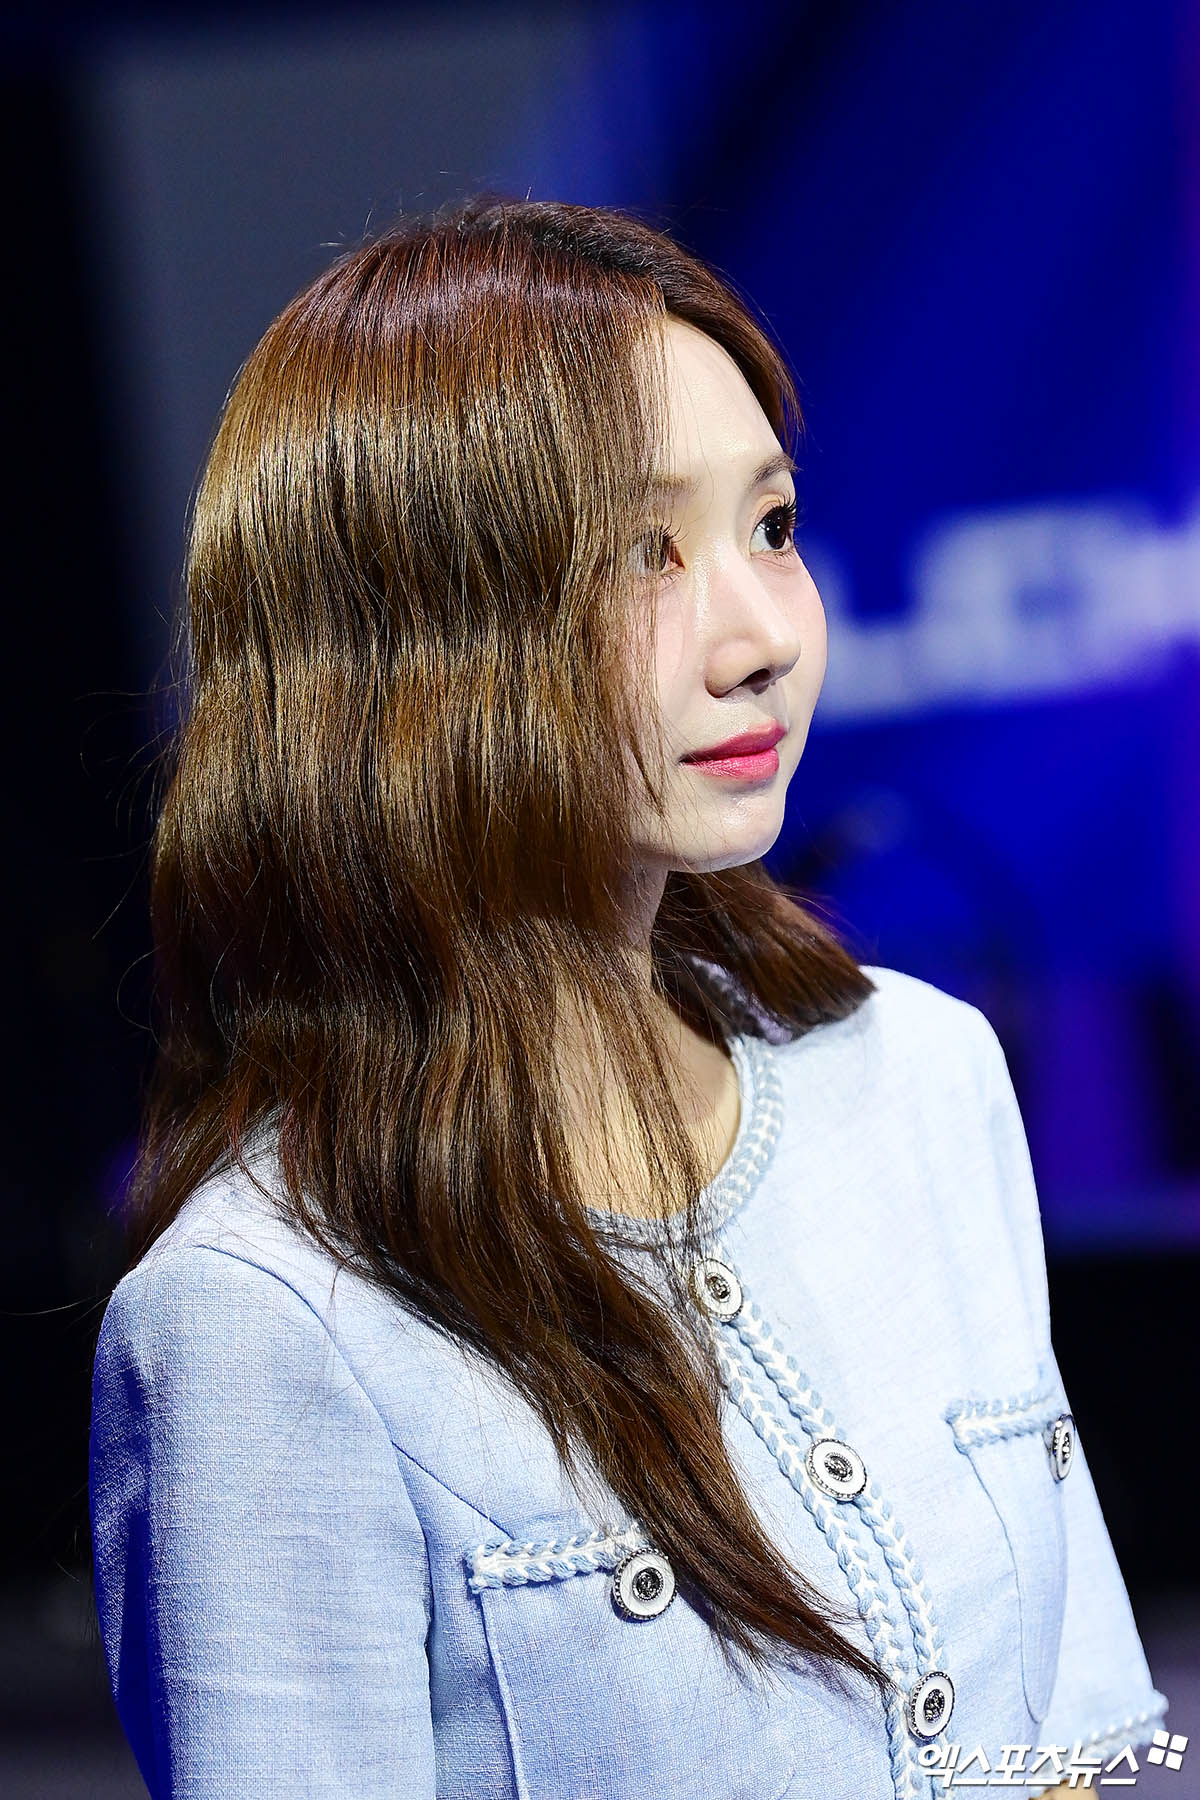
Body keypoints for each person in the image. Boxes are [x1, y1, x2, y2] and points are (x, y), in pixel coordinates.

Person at [89, 196, 1167, 1800]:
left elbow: (1066, 1751)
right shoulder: (266, 1317)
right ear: (406, 637)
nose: (761, 637)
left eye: (773, 526)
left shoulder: (923, 1079)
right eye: (642, 552)